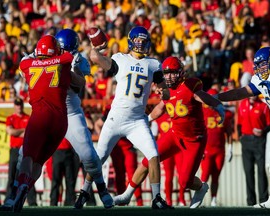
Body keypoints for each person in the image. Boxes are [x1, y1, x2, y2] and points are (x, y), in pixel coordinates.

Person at [113, 56, 225, 208]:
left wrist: (218, 106)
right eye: (166, 73)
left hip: (194, 140)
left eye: (172, 73)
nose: (169, 76)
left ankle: (201, 187)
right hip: (175, 135)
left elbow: (202, 96)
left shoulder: (189, 86)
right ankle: (127, 194)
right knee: (148, 160)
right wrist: (146, 119)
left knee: (185, 181)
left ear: (180, 73)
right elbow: (161, 107)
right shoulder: (165, 89)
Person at [87, 26, 172, 209]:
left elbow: (166, 95)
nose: (141, 44)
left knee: (153, 155)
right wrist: (96, 48)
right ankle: (85, 191)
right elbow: (95, 58)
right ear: (131, 41)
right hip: (116, 117)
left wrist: (162, 91)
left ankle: (156, 198)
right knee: (99, 157)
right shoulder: (120, 59)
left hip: (137, 120)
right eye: (138, 41)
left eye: (144, 41)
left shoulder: (154, 64)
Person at [215, 46, 270, 208]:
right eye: (258, 65)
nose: (260, 69)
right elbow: (241, 92)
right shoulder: (261, 80)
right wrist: (217, 97)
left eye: (263, 64)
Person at [10, 34, 73, 212]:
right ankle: (27, 187)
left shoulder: (27, 64)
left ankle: (21, 186)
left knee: (28, 157)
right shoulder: (63, 60)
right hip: (61, 120)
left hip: (40, 116)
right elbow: (68, 56)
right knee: (40, 162)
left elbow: (25, 62)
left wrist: (35, 56)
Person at [54, 29, 114, 209]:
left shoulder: (78, 60)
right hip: (50, 112)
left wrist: (65, 69)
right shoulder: (45, 58)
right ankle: (17, 193)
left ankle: (102, 189)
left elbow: (80, 83)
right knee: (26, 154)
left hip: (71, 113)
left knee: (88, 154)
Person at [237, 95, 270, 206]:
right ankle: (251, 202)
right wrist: (240, 135)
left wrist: (262, 131)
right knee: (248, 171)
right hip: (246, 141)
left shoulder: (263, 106)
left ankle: (263, 200)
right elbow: (239, 122)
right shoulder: (242, 104)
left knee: (261, 171)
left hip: (259, 141)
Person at [200, 88, 234, 207]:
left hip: (220, 150)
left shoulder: (223, 112)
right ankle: (199, 200)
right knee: (204, 176)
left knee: (216, 176)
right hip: (207, 150)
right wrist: (199, 150)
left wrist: (230, 148)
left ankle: (213, 199)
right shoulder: (202, 112)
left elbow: (229, 132)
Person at [2, 98, 37, 208]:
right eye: (17, 104)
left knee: (27, 174)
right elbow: (10, 131)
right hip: (15, 150)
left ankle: (32, 202)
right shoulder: (10, 118)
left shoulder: (28, 117)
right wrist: (23, 130)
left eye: (20, 104)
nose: (19, 106)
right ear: (14, 106)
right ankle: (9, 199)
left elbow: (28, 133)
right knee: (12, 176)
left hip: (26, 148)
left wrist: (18, 131)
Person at [50, 138, 77, 206]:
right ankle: (53, 203)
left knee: (70, 180)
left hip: (69, 151)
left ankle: (70, 202)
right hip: (57, 151)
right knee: (56, 180)